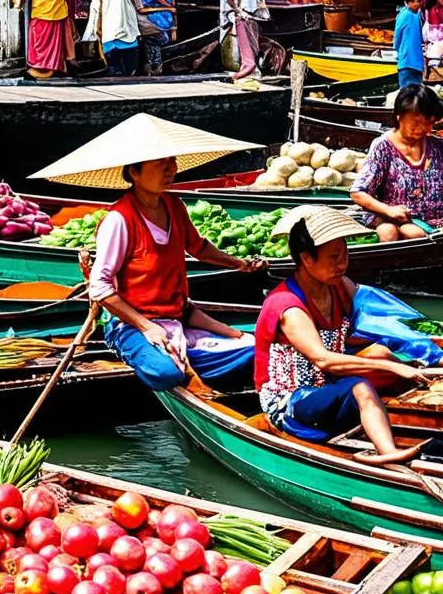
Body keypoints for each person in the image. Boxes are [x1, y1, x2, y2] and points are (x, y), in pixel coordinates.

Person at [31, 119, 271, 392]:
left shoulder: (175, 206)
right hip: (131, 325)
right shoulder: (120, 220)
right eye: (161, 162)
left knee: (256, 350)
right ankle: (179, 362)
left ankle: (191, 360)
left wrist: (239, 264)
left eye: (172, 161)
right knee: (165, 373)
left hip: (181, 316)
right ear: (134, 172)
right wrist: (147, 328)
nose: (171, 169)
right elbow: (100, 288)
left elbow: (198, 247)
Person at [254, 205, 443, 463]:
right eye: (333, 257)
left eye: (344, 255)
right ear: (307, 258)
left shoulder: (340, 286)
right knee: (361, 387)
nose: (342, 264)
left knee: (383, 353)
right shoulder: (287, 306)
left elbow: (385, 325)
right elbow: (324, 360)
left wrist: (441, 358)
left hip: (328, 384)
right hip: (291, 400)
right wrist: (395, 369)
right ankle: (387, 454)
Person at [350, 85, 443, 243]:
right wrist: (390, 211)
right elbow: (358, 193)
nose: (422, 129)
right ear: (399, 116)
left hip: (439, 223)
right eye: (415, 123)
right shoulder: (383, 146)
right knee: (394, 233)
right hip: (395, 218)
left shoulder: (439, 146)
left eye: (428, 122)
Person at [141, 0, 175, 75]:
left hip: (159, 22)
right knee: (155, 52)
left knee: (155, 51)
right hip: (156, 22)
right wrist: (170, 6)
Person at [394, 0, 424, 88]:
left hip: (417, 60)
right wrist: (397, 50)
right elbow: (397, 35)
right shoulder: (405, 15)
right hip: (407, 60)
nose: (416, 4)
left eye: (418, 1)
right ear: (407, 2)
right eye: (412, 1)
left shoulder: (417, 15)